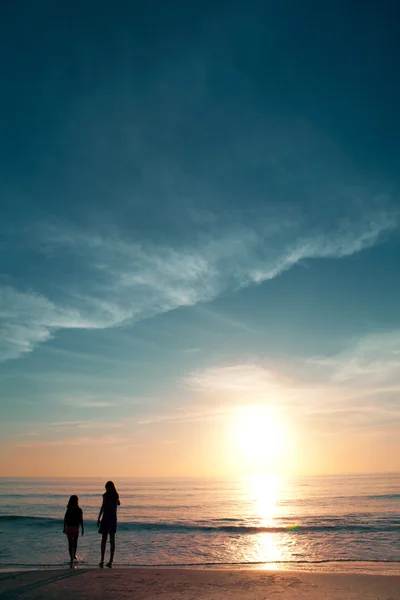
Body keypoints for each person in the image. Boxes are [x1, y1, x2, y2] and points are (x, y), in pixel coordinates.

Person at [97, 481, 120, 568]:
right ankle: (111, 561)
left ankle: (102, 560)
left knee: (104, 540)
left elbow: (103, 506)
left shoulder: (106, 495)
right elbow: (118, 503)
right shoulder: (116, 495)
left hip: (106, 518)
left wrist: (99, 518)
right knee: (112, 540)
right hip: (113, 519)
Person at [63, 495, 84, 568]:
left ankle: (71, 558)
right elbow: (81, 520)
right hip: (76, 528)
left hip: (69, 528)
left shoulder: (68, 509)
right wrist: (83, 528)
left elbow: (65, 519)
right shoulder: (79, 510)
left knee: (70, 544)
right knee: (75, 544)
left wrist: (64, 527)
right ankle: (74, 555)